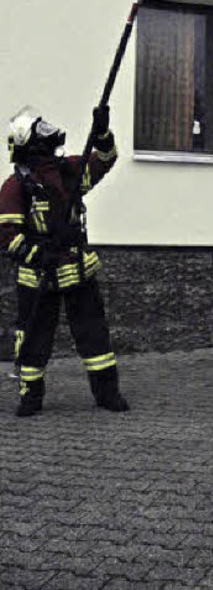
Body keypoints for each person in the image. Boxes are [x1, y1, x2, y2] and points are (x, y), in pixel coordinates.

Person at [0, 105, 128, 417]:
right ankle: (31, 396)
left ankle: (107, 394)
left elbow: (105, 160)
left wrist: (102, 134)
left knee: (94, 334)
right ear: (29, 142)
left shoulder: (68, 171)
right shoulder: (15, 186)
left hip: (77, 270)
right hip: (38, 278)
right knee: (32, 338)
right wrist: (40, 255)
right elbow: (7, 236)